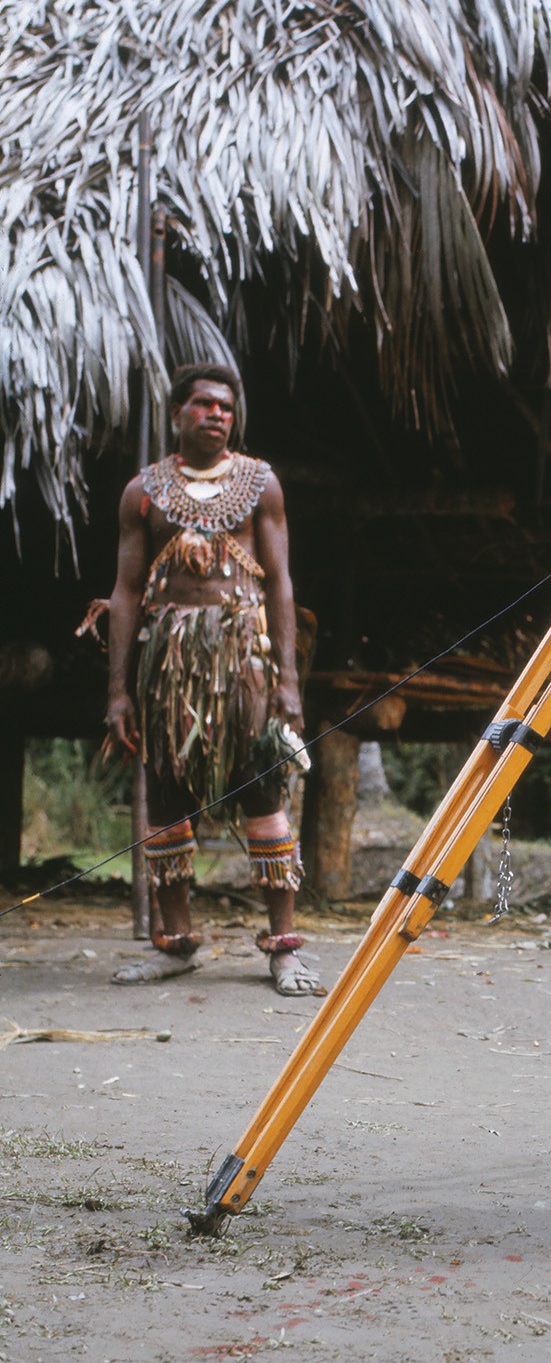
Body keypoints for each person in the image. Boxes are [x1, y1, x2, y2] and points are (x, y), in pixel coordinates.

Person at [103, 363, 321, 996]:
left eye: (225, 406)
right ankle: (175, 943)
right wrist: (119, 689)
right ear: (177, 416)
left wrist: (288, 681)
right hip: (167, 666)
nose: (217, 414)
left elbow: (279, 583)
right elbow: (125, 591)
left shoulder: (260, 485)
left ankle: (283, 948)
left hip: (243, 660)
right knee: (167, 794)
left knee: (262, 789)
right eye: (202, 405)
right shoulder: (143, 492)